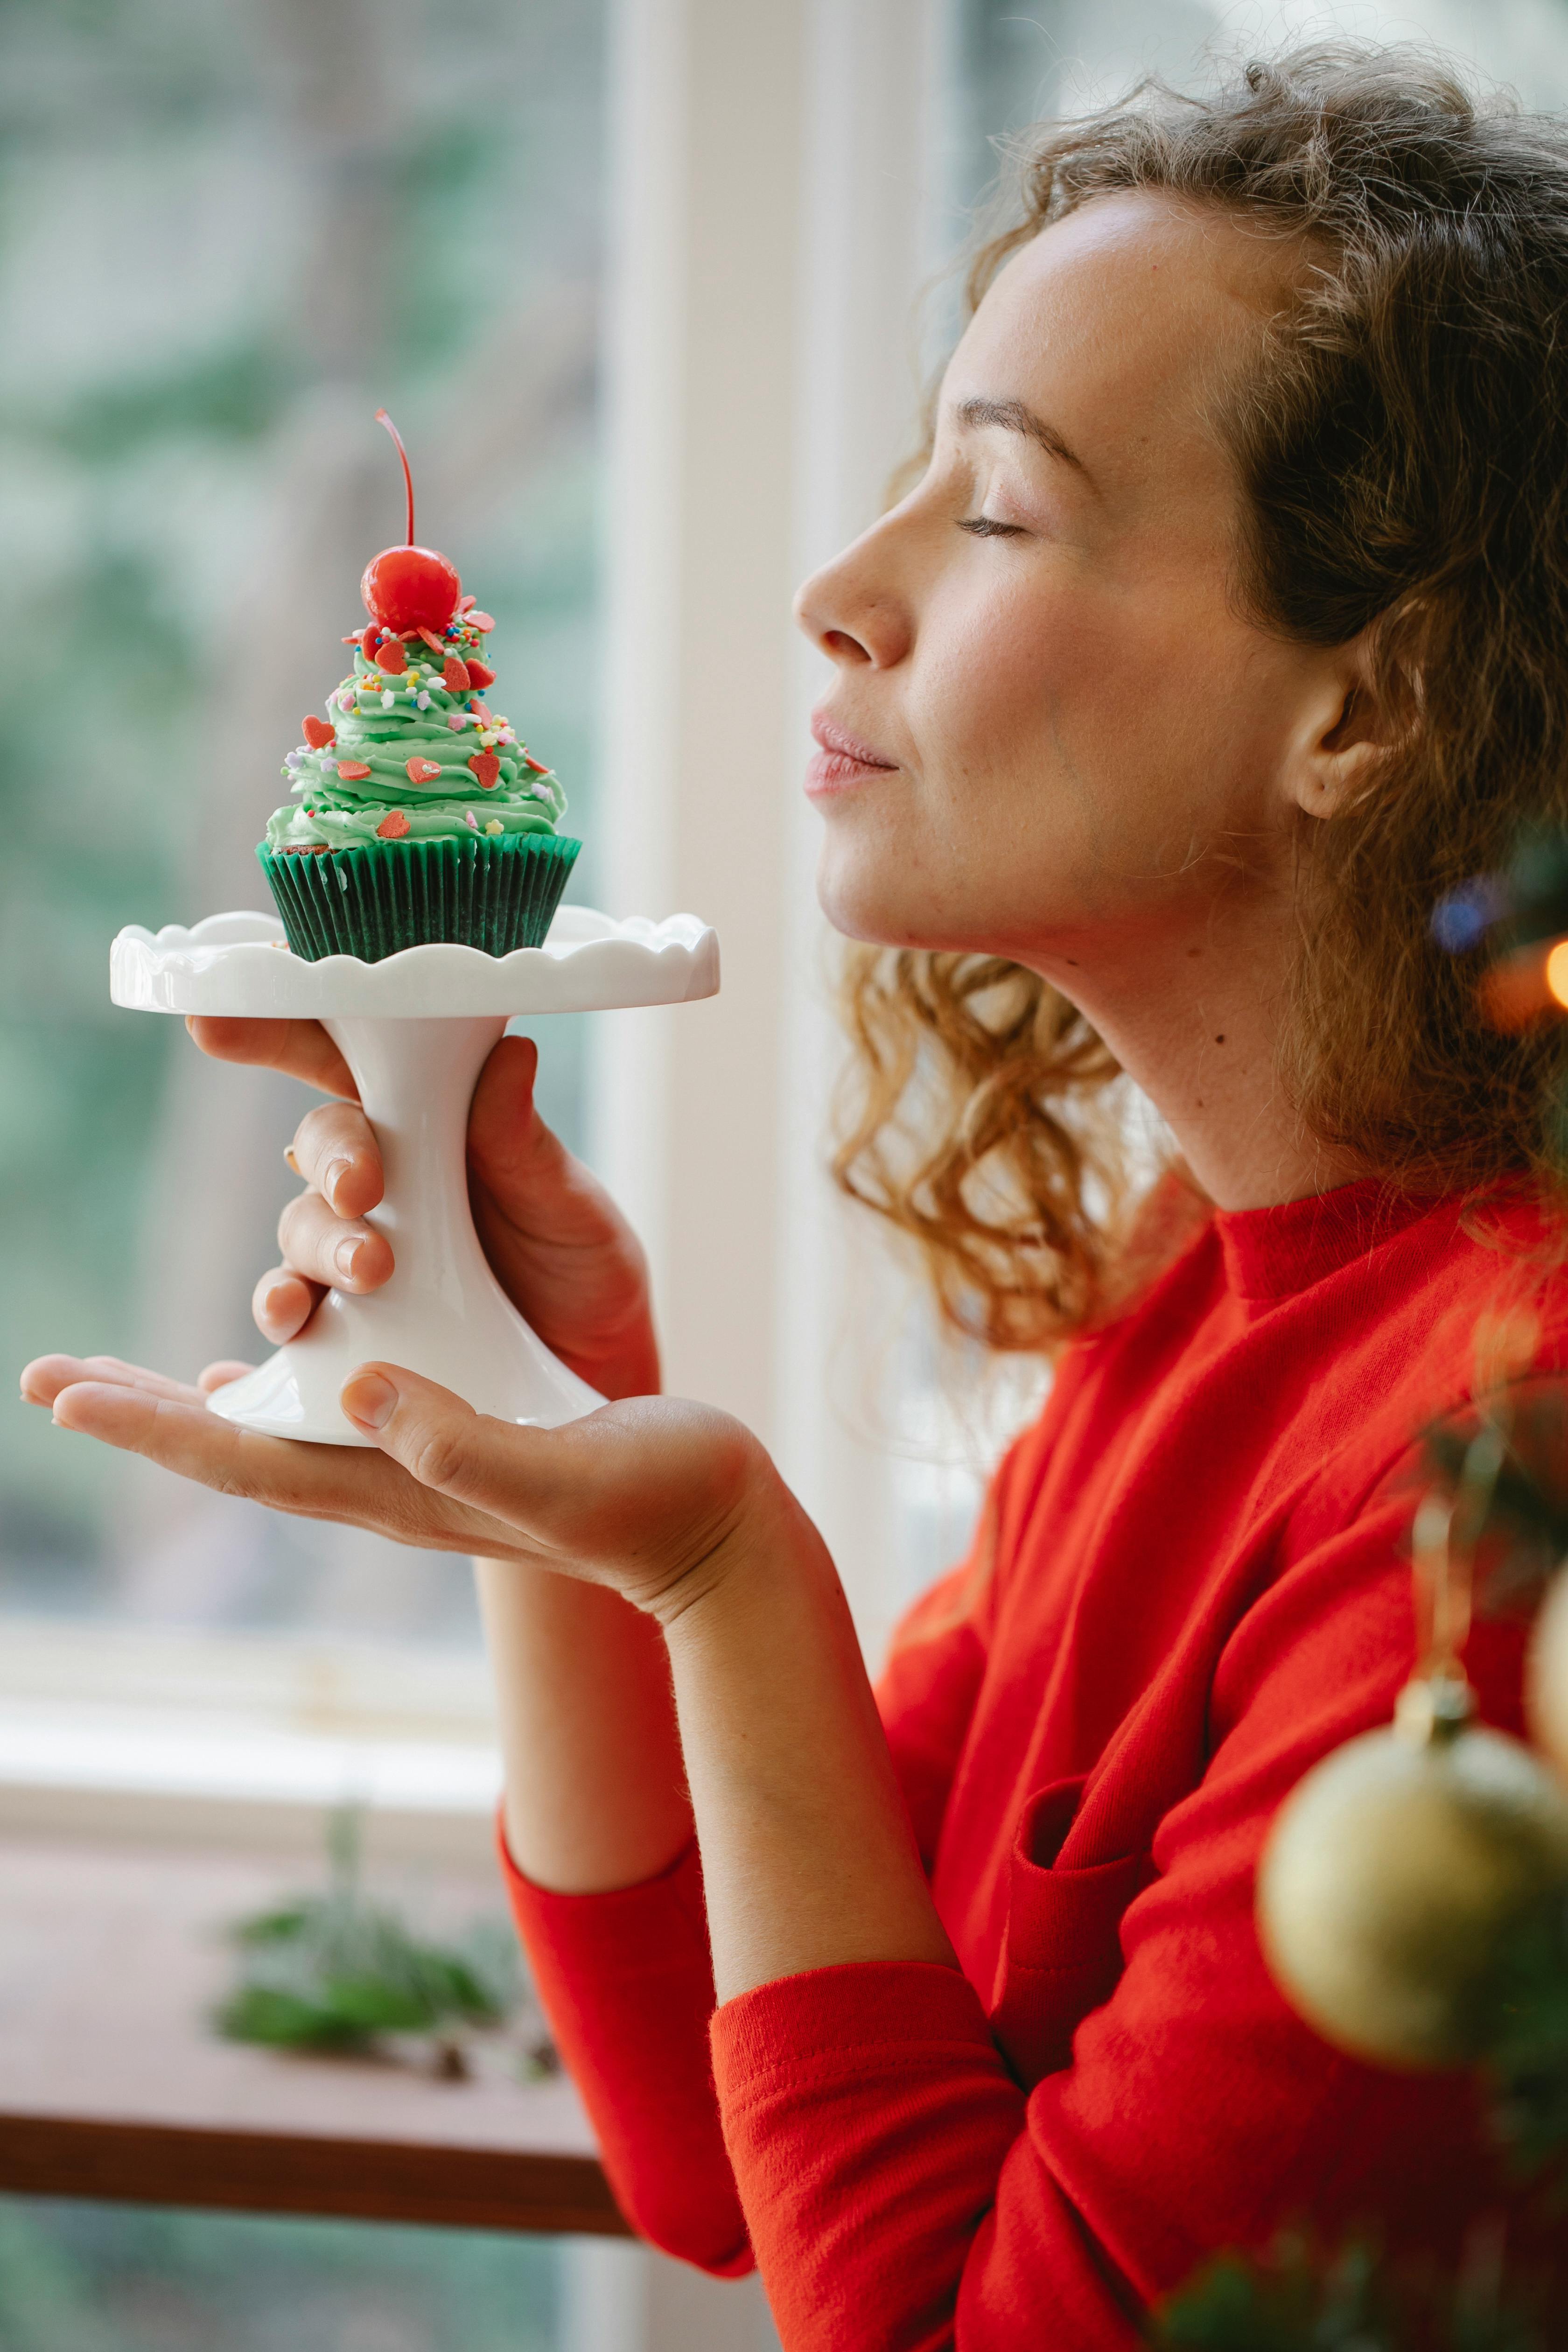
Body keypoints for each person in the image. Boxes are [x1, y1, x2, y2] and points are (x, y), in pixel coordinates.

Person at [23, 45, 1568, 2348]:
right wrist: (549, 1435)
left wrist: (733, 1571)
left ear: (1368, 709)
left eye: (1006, 513)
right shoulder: (1202, 1309)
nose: (841, 590)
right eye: (905, 487)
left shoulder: (1496, 1485)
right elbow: (710, 2142)